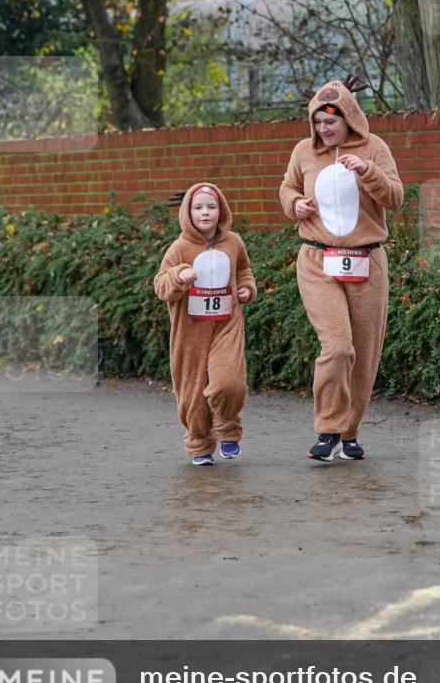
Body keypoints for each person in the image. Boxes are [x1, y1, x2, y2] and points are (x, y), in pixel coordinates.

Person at [279, 75, 404, 461]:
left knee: (363, 354)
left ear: (348, 118)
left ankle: (349, 434)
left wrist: (366, 170)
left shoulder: (374, 147)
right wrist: (295, 204)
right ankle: (328, 429)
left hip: (367, 260)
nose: (323, 129)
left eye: (330, 122)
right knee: (337, 346)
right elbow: (287, 187)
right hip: (318, 260)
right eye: (317, 122)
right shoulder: (304, 151)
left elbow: (396, 198)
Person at [154, 182, 257, 465]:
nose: (205, 213)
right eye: (198, 208)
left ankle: (227, 428)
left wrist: (247, 288)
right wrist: (179, 276)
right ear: (188, 213)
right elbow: (160, 286)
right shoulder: (179, 247)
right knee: (192, 390)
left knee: (230, 382)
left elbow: (243, 270)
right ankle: (199, 443)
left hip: (227, 324)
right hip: (191, 330)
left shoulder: (234, 242)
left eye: (211, 207)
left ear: (221, 210)